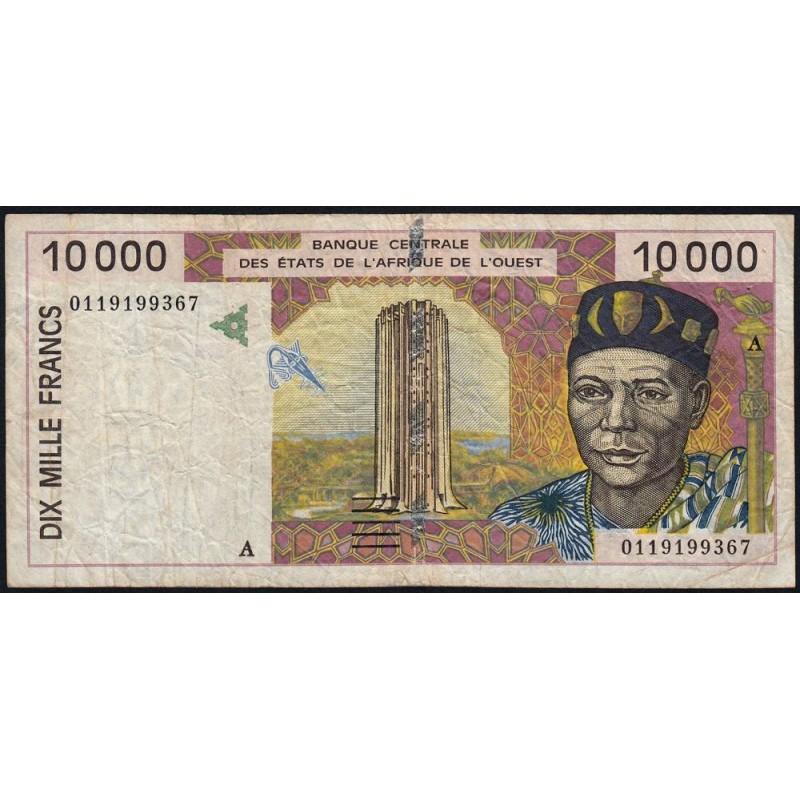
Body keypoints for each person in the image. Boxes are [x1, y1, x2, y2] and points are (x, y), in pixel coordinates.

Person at [490, 280, 772, 561]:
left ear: (696, 404)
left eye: (650, 394)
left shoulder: (751, 495)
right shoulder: (520, 526)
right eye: (590, 392)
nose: (617, 420)